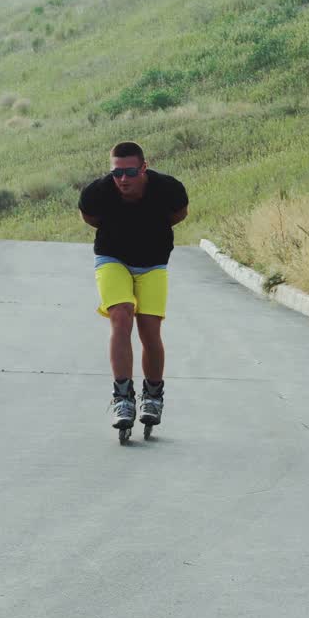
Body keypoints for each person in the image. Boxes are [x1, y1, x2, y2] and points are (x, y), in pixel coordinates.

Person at [78, 142, 189, 431]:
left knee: (150, 329)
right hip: (112, 259)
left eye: (129, 171)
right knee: (121, 315)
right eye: (117, 173)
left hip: (153, 264)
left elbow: (179, 214)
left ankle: (153, 395)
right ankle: (122, 397)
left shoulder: (168, 189)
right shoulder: (97, 192)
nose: (123, 179)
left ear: (143, 167)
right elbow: (89, 217)